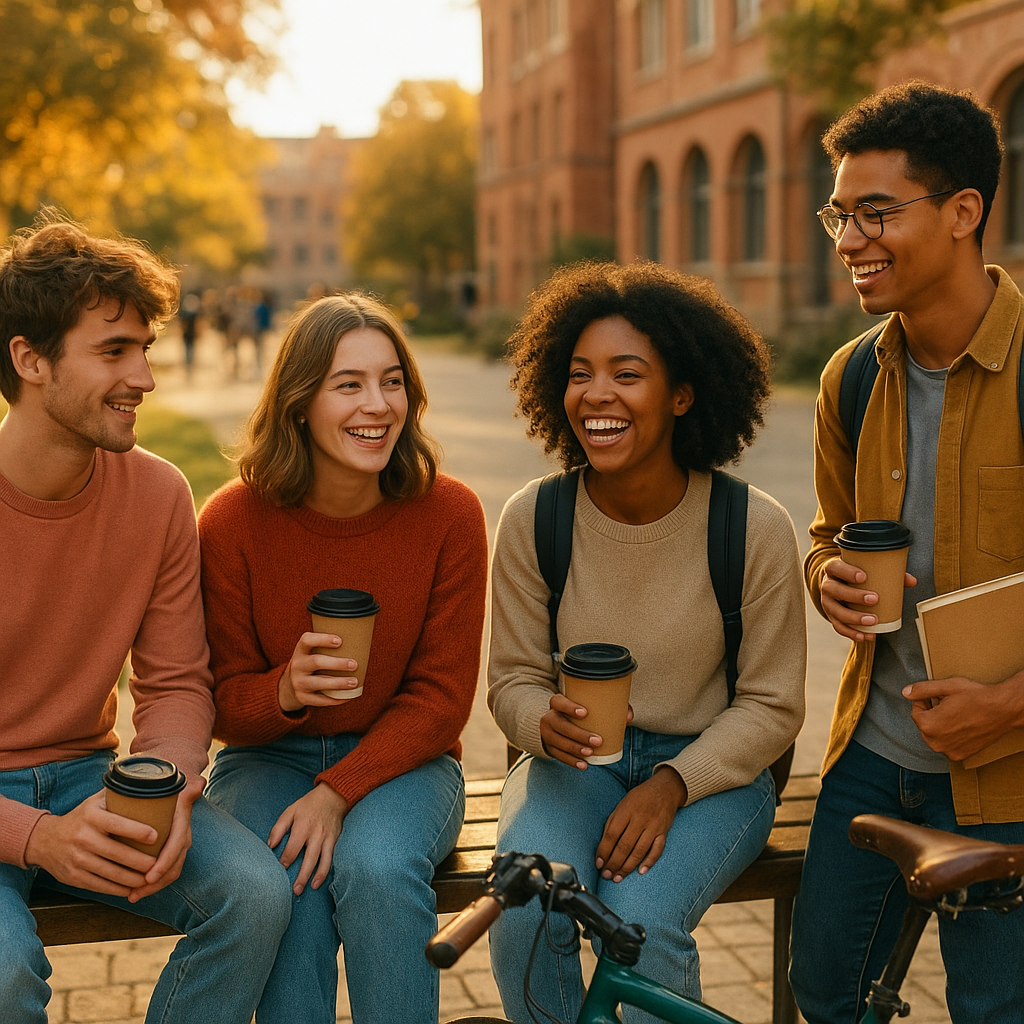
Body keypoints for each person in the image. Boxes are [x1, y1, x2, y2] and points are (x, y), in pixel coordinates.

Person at [486, 261, 807, 1023]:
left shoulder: (751, 526)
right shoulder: (535, 519)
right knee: (527, 908)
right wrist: (542, 721)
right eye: (579, 374)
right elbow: (510, 681)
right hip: (575, 769)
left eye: (627, 374)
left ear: (683, 395)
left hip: (715, 776)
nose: (596, 394)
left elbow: (773, 704)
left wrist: (672, 785)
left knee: (640, 923)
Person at [0, 215, 291, 1024]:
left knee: (255, 896)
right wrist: (38, 838)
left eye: (145, 349)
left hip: (92, 780)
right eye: (114, 351)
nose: (145, 378)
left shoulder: (158, 493)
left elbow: (175, 679)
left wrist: (173, 790)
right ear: (30, 360)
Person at [790, 81, 1024, 1023]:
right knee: (826, 997)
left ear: (965, 211)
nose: (849, 240)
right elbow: (825, 532)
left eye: (877, 212)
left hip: (1010, 772)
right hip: (872, 757)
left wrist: (1007, 706)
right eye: (841, 214)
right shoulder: (850, 377)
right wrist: (827, 580)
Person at [197, 293, 488, 1024]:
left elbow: (441, 699)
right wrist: (287, 691)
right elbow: (224, 701)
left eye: (392, 381)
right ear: (299, 403)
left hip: (406, 761)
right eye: (348, 384)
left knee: (378, 868)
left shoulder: (449, 513)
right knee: (285, 874)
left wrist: (337, 790)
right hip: (266, 759)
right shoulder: (231, 522)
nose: (378, 404)